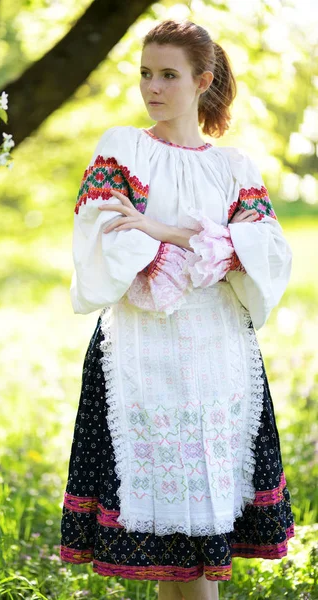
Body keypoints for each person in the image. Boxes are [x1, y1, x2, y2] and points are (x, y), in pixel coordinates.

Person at [59, 18, 295, 600]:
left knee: (203, 531)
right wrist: (205, 242)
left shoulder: (233, 167)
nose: (152, 87)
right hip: (142, 354)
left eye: (168, 75)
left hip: (220, 354)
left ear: (202, 80)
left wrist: (163, 231)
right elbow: (107, 239)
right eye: (146, 74)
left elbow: (261, 252)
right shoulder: (124, 147)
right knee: (169, 548)